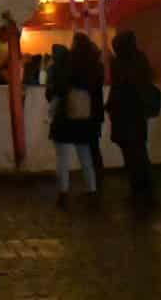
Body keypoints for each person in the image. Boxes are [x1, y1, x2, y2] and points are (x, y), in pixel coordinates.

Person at [48, 33, 104, 207]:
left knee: (62, 158)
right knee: (85, 156)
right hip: (85, 119)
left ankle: (63, 193)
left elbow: (57, 89)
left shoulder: (67, 65)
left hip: (66, 117)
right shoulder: (95, 67)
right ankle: (92, 190)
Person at [106, 30, 158, 211]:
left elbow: (119, 89)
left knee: (132, 155)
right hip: (136, 116)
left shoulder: (120, 63)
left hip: (125, 115)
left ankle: (139, 190)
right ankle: (144, 191)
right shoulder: (139, 60)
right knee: (139, 153)